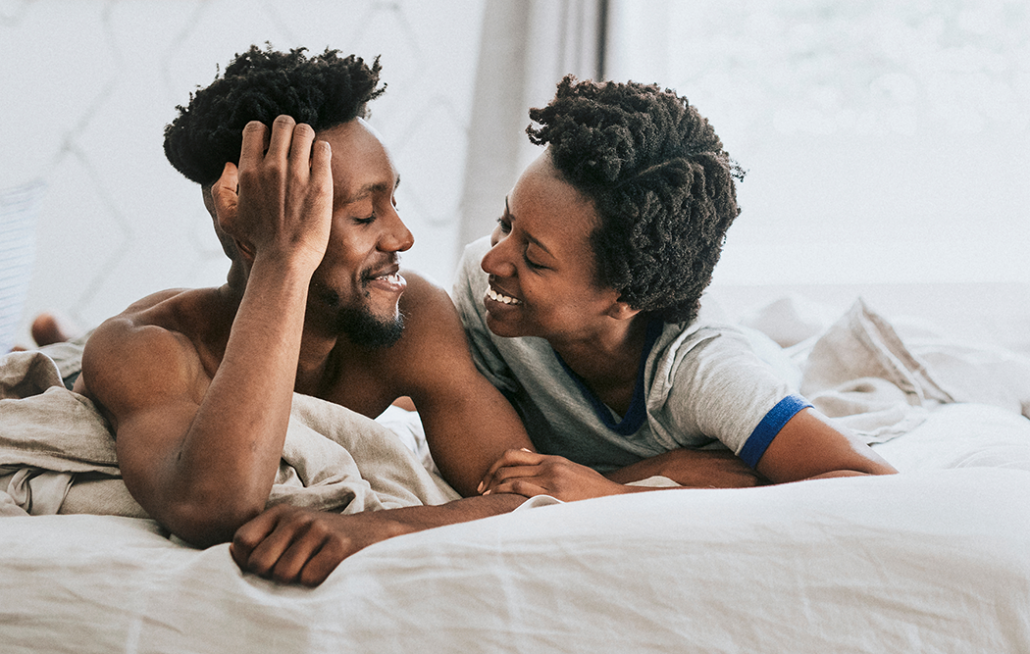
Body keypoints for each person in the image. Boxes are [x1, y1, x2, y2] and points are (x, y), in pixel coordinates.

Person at [74, 45, 541, 586]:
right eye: (365, 214)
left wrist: (381, 528)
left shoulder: (412, 314)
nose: (402, 237)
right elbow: (213, 506)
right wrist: (280, 256)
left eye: (392, 203)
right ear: (246, 225)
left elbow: (526, 490)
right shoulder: (144, 348)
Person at [456, 76, 897, 502]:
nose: (492, 259)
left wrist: (616, 495)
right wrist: (652, 471)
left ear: (625, 297)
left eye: (534, 258)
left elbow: (874, 484)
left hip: (757, 360)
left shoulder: (707, 376)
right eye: (506, 222)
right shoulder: (486, 288)